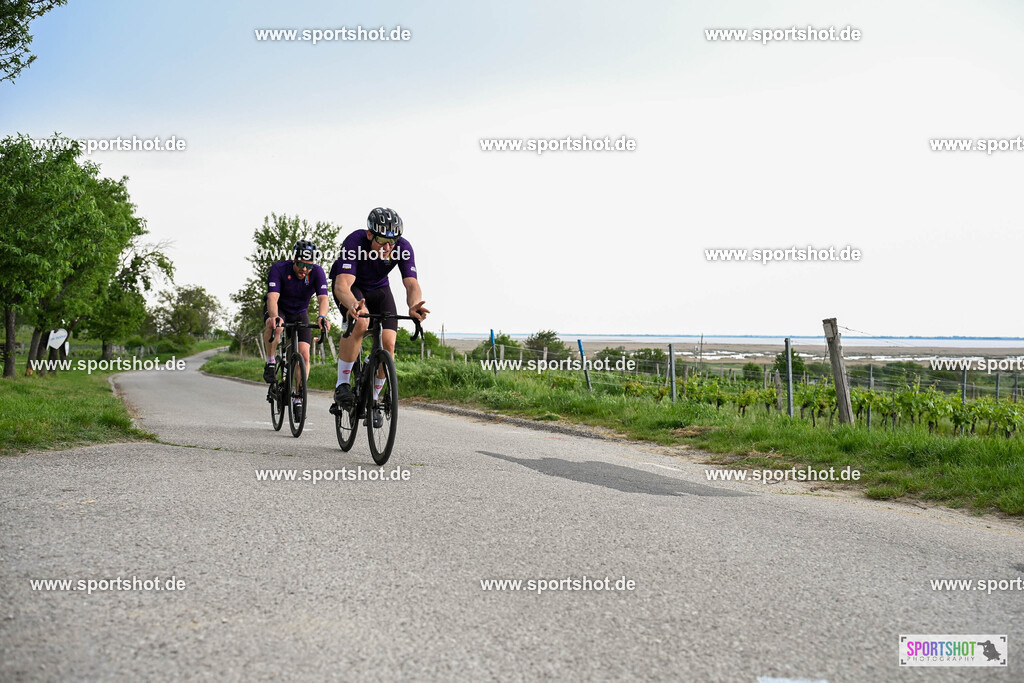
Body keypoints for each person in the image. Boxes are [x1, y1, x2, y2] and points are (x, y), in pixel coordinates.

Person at [329, 207, 429, 426]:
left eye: (392, 242)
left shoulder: (402, 247)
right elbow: (342, 284)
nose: (387, 247)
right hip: (350, 288)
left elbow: (411, 283)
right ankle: (342, 384)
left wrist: (413, 306)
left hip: (379, 290)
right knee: (361, 322)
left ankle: (373, 398)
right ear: (369, 234)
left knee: (389, 344)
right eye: (382, 240)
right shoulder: (355, 242)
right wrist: (354, 305)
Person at [263, 240, 331, 420]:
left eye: (308, 266)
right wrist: (275, 316)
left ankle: (299, 397)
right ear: (294, 259)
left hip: (300, 312)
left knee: (304, 354)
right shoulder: (279, 269)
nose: (304, 270)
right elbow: (272, 297)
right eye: (300, 264)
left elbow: (323, 299)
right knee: (275, 327)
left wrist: (322, 316)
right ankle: (270, 361)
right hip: (280, 308)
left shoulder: (317, 272)